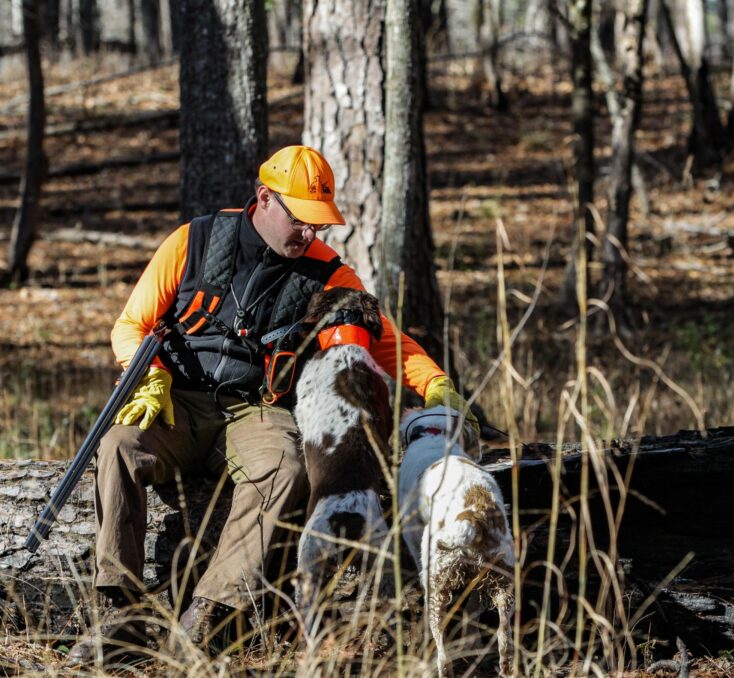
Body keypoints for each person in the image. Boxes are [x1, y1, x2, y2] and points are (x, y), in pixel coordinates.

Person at [68, 145, 476, 663]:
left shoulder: (330, 276)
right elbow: (131, 324)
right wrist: (148, 378)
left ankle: (207, 616)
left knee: (286, 466)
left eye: (319, 223)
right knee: (119, 446)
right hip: (177, 399)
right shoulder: (193, 241)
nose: (311, 233)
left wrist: (435, 384)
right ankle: (120, 620)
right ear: (265, 198)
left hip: (257, 408)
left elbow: (384, 341)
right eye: (302, 220)